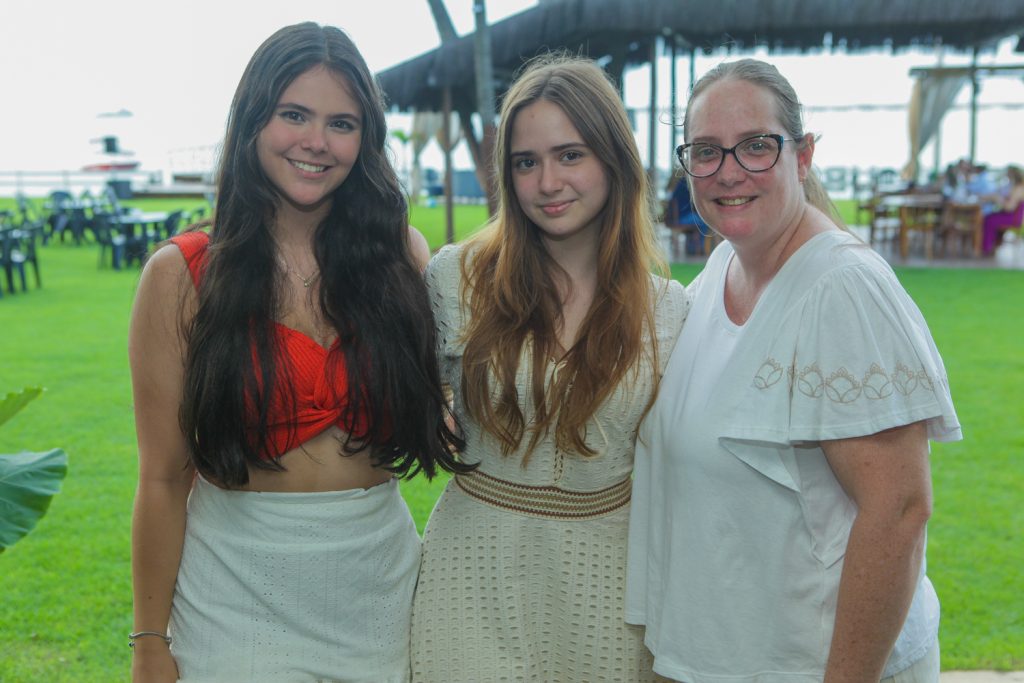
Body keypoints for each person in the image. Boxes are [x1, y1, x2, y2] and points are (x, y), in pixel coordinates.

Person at [128, 22, 467, 683]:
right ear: (253, 120)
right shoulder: (181, 275)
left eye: (342, 123)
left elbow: (445, 401)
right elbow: (163, 478)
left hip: (381, 591)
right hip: (233, 600)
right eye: (294, 114)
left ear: (366, 138)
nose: (316, 141)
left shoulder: (402, 257)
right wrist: (148, 644)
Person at [625, 58, 961, 683]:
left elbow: (898, 511)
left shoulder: (842, 289)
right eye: (706, 151)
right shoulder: (721, 270)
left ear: (802, 156)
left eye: (756, 146)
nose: (729, 171)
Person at [409, 55, 689, 682]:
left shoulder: (670, 310)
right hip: (470, 573)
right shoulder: (456, 279)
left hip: (609, 584)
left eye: (570, 155)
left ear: (613, 159)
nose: (547, 182)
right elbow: (403, 402)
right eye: (525, 162)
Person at [981, 165, 1024, 254]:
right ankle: (991, 245)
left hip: (1013, 218)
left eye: (1007, 174)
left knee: (989, 219)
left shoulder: (1018, 188)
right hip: (1010, 215)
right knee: (990, 216)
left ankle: (987, 248)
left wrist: (997, 198)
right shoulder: (1015, 187)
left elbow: (1009, 207)